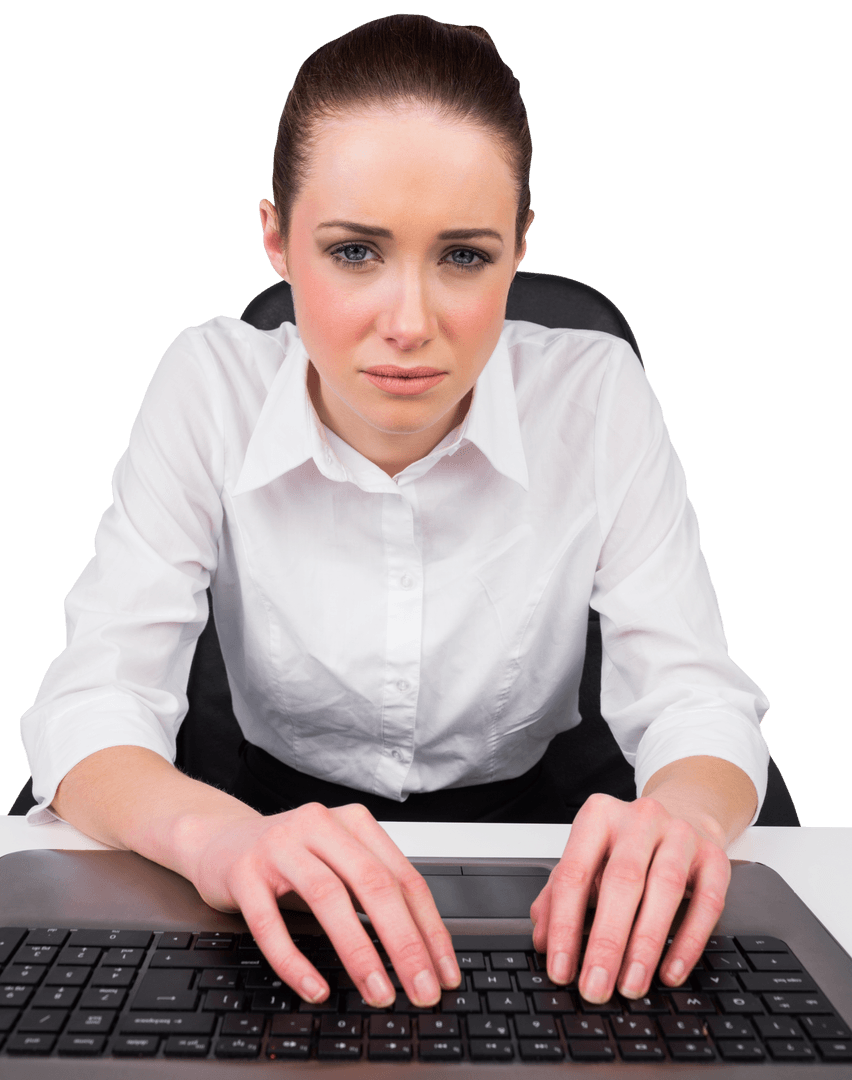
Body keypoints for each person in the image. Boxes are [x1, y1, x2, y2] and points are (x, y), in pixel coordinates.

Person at [20, 14, 769, 1013]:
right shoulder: (208, 384)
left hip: (538, 843)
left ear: (519, 247)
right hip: (266, 826)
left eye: (463, 256)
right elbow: (93, 700)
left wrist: (683, 814)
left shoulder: (597, 395)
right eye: (354, 251)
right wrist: (217, 839)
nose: (409, 324)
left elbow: (695, 700)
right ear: (277, 239)